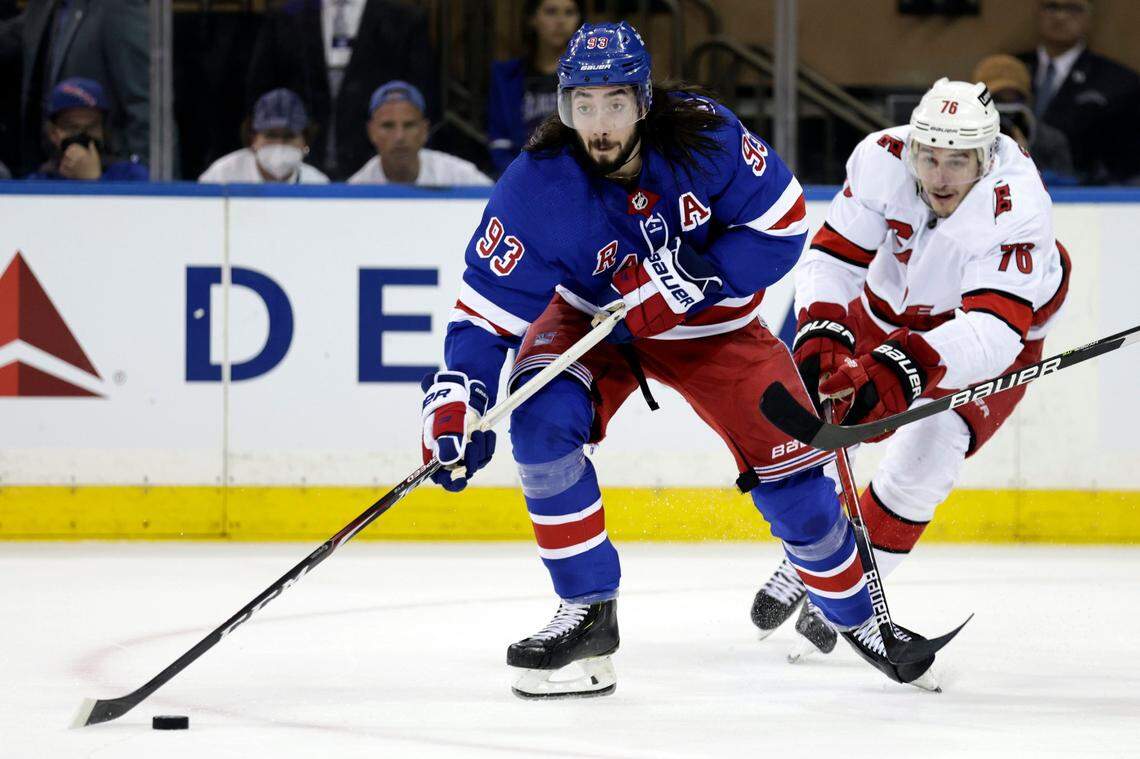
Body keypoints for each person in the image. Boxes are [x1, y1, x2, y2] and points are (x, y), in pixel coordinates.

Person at [419, 20, 933, 699]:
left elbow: (784, 228)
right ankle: (588, 611)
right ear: (564, 106)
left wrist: (708, 271)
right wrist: (459, 392)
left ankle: (860, 617)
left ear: (644, 101)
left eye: (615, 105)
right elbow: (485, 312)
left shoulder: (704, 134)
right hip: (594, 327)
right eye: (582, 106)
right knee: (540, 421)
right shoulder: (536, 182)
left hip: (715, 329)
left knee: (803, 493)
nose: (598, 125)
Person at [750, 78, 1070, 658]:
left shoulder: (1017, 203)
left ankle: (844, 591)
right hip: (883, 306)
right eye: (929, 156)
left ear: (987, 155)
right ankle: (821, 556)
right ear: (912, 146)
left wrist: (906, 368)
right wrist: (822, 324)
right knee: (798, 426)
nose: (940, 175)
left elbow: (993, 332)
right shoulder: (882, 158)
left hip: (989, 335)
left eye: (958, 161)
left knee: (924, 461)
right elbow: (833, 255)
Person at [246, 0, 435, 180]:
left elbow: (422, 101)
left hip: (377, 174)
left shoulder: (405, 20)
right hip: (298, 172)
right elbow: (260, 93)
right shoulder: (285, 15)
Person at [18, 0, 149, 175]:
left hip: (113, 177)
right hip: (47, 174)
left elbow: (143, 103)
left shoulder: (119, 6)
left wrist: (153, 191)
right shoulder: (47, 5)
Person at [1016, 0, 1140, 183]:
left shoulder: (1119, 82)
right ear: (1037, 12)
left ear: (1089, 17)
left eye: (1073, 8)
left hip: (1086, 198)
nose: (1060, 16)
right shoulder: (1008, 69)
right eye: (1052, 7)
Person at [487, 0, 583, 176]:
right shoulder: (507, 77)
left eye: (569, 12)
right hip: (519, 178)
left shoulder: (590, 78)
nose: (561, 21)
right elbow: (499, 144)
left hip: (576, 178)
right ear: (532, 18)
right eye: (551, 12)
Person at [348, 81, 491, 186]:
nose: (399, 136)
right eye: (388, 126)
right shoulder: (356, 188)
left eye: (409, 125)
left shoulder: (461, 177)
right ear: (371, 132)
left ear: (425, 130)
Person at [971, 54, 1075, 184]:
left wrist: (1024, 158)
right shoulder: (963, 138)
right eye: (997, 100)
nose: (1007, 110)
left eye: (1015, 100)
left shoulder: (1051, 141)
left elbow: (1065, 194)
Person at [25, 77, 147, 181]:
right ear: (53, 133)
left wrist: (93, 180)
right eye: (72, 127)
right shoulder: (39, 181)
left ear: (103, 130)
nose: (82, 135)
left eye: (92, 127)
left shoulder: (131, 175)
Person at [199, 88, 329, 185]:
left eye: (289, 136)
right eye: (271, 135)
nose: (279, 144)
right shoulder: (222, 176)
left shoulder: (318, 184)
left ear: (304, 141)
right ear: (253, 138)